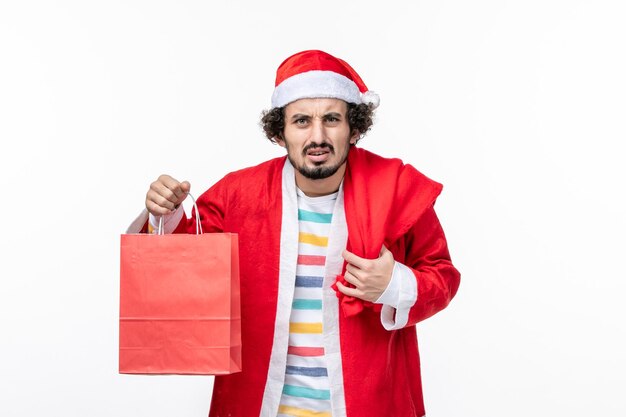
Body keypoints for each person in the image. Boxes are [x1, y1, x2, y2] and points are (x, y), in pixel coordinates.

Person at [128, 50, 460, 417]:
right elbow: (180, 271)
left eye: (332, 119)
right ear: (279, 133)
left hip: (369, 405)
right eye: (301, 121)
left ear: (355, 128)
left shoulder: (398, 189)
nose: (318, 136)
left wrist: (394, 284)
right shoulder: (236, 195)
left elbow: (443, 276)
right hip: (259, 405)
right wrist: (165, 212)